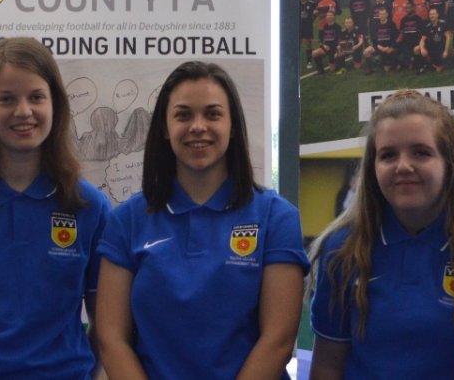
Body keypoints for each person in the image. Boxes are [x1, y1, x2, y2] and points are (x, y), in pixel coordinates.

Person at [94, 62, 307, 379]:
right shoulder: (126, 221)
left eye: (212, 114)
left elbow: (278, 341)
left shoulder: (276, 218)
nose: (197, 126)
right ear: (165, 128)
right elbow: (112, 340)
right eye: (183, 115)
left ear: (232, 125)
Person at [0, 37, 111, 379]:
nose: (23, 111)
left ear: (55, 104)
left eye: (36, 97)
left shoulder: (89, 207)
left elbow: (108, 326)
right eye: (7, 99)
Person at [308, 90, 454, 379]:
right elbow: (327, 367)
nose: (403, 166)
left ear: (450, 163)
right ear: (372, 168)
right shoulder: (342, 250)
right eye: (388, 155)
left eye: (421, 152)